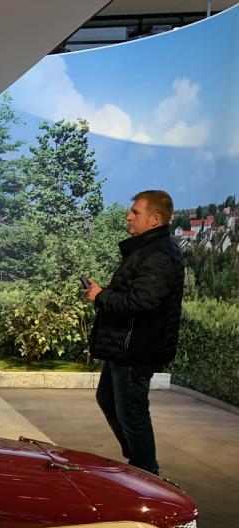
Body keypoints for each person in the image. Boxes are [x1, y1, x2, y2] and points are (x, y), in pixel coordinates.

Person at [83, 190, 184, 476]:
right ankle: (139, 464)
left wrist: (101, 296)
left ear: (155, 220)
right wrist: (103, 294)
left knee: (132, 413)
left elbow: (142, 302)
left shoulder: (158, 255)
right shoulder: (148, 250)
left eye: (135, 212)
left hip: (135, 350)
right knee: (109, 400)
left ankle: (145, 471)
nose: (128, 216)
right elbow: (137, 295)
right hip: (126, 348)